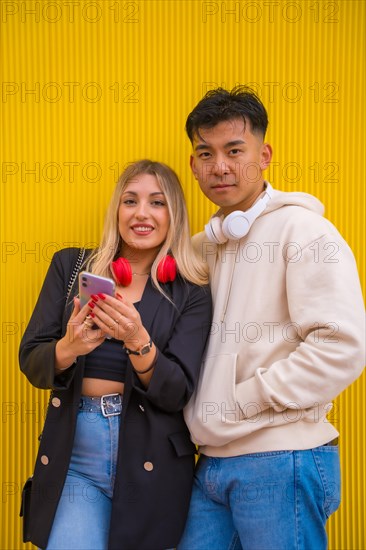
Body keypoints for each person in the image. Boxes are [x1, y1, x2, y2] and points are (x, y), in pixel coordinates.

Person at [178, 87, 365, 550]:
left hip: (282, 458)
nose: (219, 166)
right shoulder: (207, 247)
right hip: (212, 463)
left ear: (264, 156)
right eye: (206, 152)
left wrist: (244, 399)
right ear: (193, 164)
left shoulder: (305, 230)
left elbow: (341, 347)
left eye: (234, 150)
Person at [19, 159, 212, 550]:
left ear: (173, 214)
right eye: (130, 201)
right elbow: (32, 360)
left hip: (152, 455)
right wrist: (69, 348)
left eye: (157, 203)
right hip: (77, 453)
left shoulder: (192, 290)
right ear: (117, 210)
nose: (142, 213)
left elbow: (176, 393)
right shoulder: (71, 266)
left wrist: (138, 340)